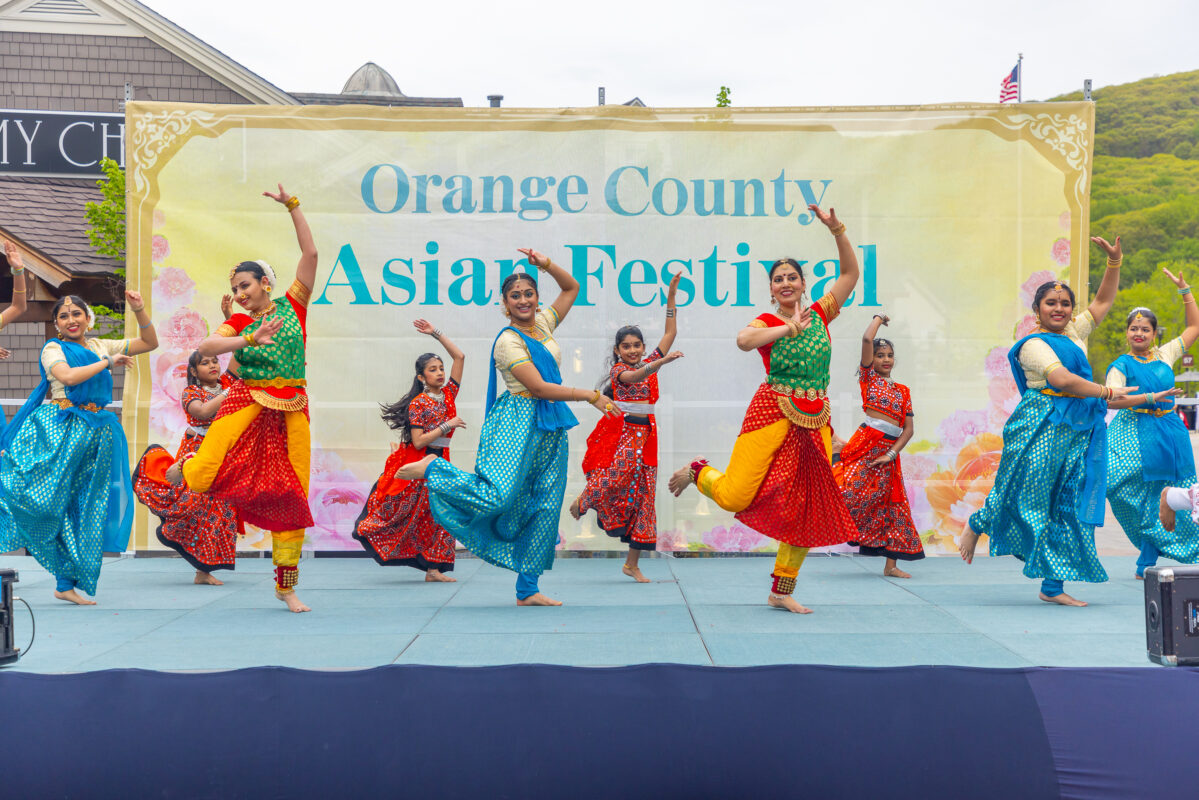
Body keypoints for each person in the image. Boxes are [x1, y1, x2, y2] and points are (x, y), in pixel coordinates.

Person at [667, 205, 861, 614]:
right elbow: (743, 340)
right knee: (736, 496)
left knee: (806, 506)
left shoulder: (821, 314)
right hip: (771, 413)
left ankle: (781, 589)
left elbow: (849, 275)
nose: (786, 283)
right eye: (778, 279)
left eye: (792, 277)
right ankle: (698, 472)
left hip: (814, 421)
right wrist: (787, 328)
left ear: (803, 284)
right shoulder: (767, 320)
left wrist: (836, 230)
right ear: (771, 290)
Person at [396, 250, 619, 606]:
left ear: (536, 297)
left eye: (528, 293)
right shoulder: (508, 341)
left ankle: (527, 589)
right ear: (505, 303)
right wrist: (591, 395)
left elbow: (572, 287)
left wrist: (544, 264)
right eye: (515, 296)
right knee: (499, 495)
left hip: (550, 423)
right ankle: (435, 469)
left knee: (545, 503)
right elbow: (538, 388)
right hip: (516, 421)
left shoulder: (543, 324)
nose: (523, 300)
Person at [959, 236, 1136, 606]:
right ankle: (979, 523)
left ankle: (1052, 586)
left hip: (1078, 428)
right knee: (1027, 494)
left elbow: (1103, 301)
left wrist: (1114, 263)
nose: (1059, 308)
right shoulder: (1033, 345)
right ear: (1037, 310)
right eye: (1051, 303)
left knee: (1067, 502)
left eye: (1065, 304)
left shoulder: (1073, 332)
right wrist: (1107, 393)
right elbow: (1061, 380)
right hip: (1041, 423)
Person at [166, 184, 318, 613]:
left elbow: (310, 257)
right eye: (235, 288)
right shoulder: (238, 320)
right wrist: (248, 334)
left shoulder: (294, 304)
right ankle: (184, 468)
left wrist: (292, 206)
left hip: (291, 406)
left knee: (293, 495)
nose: (240, 293)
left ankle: (286, 587)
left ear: (265, 283)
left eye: (245, 285)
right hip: (247, 398)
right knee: (202, 472)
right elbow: (210, 348)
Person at [0, 290, 157, 604]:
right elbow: (68, 377)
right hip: (56, 432)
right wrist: (107, 363)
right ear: (57, 324)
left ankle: (65, 584)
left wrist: (139, 310)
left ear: (88, 318)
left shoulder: (100, 345)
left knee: (84, 509)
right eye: (63, 316)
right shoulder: (54, 348)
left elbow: (149, 343)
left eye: (76, 314)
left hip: (95, 435)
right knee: (44, 504)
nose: (71, 320)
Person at [571, 272, 683, 582]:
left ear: (643, 346)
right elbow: (634, 378)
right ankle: (588, 498)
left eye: (637, 345)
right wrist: (659, 363)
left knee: (645, 498)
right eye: (627, 346)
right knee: (617, 476)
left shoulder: (647, 361)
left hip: (648, 437)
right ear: (618, 351)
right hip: (624, 436)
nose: (633, 350)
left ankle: (632, 564)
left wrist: (671, 296)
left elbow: (670, 332)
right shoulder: (621, 371)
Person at [352, 320, 465, 581]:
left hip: (442, 462)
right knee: (412, 515)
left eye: (440, 368)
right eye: (432, 370)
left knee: (442, 515)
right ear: (421, 377)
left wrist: (436, 333)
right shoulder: (418, 403)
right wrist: (447, 424)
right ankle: (372, 533)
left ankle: (434, 569)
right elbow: (418, 442)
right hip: (423, 463)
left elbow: (460, 356)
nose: (439, 373)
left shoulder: (448, 395)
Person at [1106, 266, 1199, 577]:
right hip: (1134, 430)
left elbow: (1195, 325)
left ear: (1153, 333)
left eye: (1145, 329)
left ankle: (1147, 559)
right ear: (1127, 332)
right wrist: (1151, 397)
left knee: (1175, 491)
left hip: (1170, 432)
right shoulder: (1120, 365)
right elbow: (1112, 399)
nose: (1139, 334)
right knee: (1118, 486)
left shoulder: (1164, 355)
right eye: (1134, 328)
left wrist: (1185, 290)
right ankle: (1150, 545)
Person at [133, 349, 243, 584]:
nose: (213, 365)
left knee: (222, 510)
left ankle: (204, 571)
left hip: (223, 453)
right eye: (205, 363)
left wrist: (237, 324)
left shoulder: (226, 382)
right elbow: (202, 411)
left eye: (215, 361)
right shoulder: (190, 392)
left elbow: (239, 355)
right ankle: (173, 533)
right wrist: (229, 393)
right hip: (196, 451)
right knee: (194, 505)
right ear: (194, 371)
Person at [836, 313, 924, 576]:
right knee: (847, 493)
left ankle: (891, 565)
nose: (885, 359)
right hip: (865, 445)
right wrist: (877, 319)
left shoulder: (903, 391)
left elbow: (908, 430)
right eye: (879, 355)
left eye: (889, 355)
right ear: (870, 360)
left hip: (888, 452)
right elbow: (866, 338)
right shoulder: (868, 380)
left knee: (893, 505)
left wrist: (891, 454)